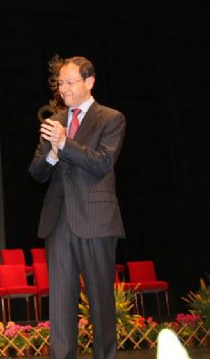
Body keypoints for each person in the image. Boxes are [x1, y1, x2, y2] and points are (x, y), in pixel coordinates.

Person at [29, 55, 126, 359]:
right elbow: (36, 172)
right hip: (58, 222)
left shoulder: (111, 118)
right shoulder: (54, 122)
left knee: (100, 301)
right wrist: (53, 154)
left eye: (70, 82)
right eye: (60, 83)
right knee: (60, 304)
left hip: (96, 220)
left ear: (89, 82)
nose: (64, 89)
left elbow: (102, 163)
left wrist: (65, 144)